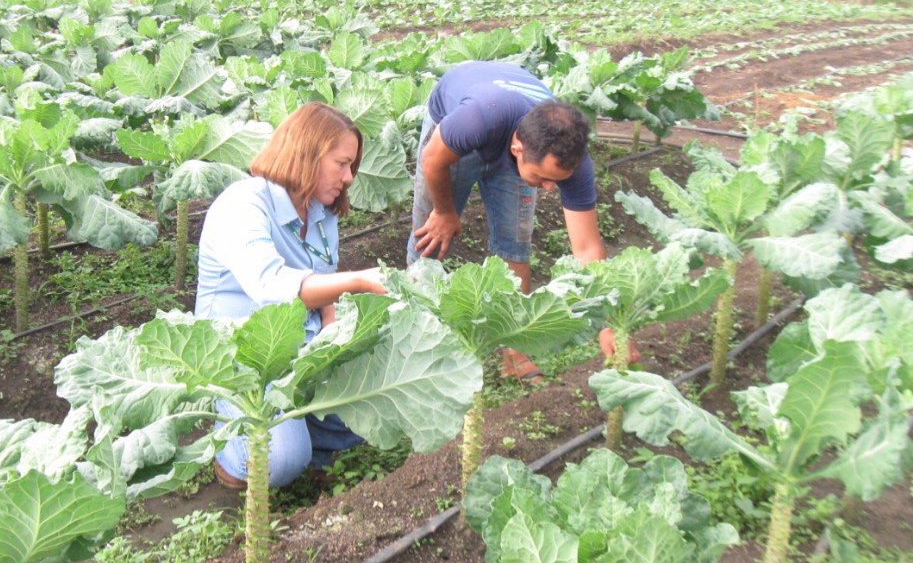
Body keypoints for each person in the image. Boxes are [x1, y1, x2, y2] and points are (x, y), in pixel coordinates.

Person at [195, 102, 387, 490]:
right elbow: (270, 284)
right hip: (244, 355)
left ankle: (305, 436)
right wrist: (361, 281)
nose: (349, 177)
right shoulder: (243, 204)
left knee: (375, 395)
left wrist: (336, 344)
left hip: (301, 343)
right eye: (342, 164)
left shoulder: (320, 212)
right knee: (278, 461)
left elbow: (323, 282)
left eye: (352, 166)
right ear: (308, 154)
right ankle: (234, 452)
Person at [407, 60, 632, 381]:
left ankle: (514, 351)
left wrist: (609, 324)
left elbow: (587, 247)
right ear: (517, 148)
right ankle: (414, 345)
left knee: (516, 242)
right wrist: (444, 212)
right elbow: (433, 159)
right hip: (453, 131)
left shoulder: (571, 160)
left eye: (557, 179)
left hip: (512, 134)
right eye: (543, 177)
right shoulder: (475, 119)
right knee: (428, 238)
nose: (551, 188)